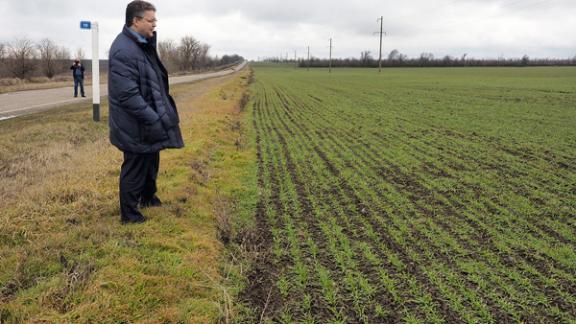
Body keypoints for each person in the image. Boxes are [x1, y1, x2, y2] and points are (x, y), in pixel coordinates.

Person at [108, 0, 184, 224]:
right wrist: (154, 118)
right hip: (134, 123)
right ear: (136, 21)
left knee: (151, 159)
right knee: (135, 165)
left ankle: (148, 198)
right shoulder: (124, 50)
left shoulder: (142, 44)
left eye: (155, 20)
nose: (155, 25)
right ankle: (129, 215)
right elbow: (128, 95)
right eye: (151, 20)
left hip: (148, 119)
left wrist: (158, 116)